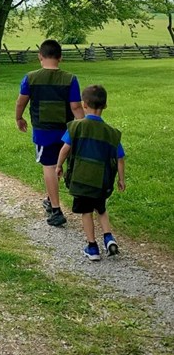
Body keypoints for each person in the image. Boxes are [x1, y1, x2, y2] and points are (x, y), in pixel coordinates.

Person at [15, 39, 84, 227]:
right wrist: (84, 127)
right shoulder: (70, 79)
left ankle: (55, 209)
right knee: (59, 164)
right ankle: (50, 197)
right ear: (60, 58)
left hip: (43, 131)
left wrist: (19, 118)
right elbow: (76, 106)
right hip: (66, 131)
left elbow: (21, 101)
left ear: (40, 56)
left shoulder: (30, 78)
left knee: (49, 166)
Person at [56, 84, 126, 261]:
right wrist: (121, 179)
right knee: (101, 209)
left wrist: (58, 166)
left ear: (84, 104)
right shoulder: (111, 133)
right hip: (102, 181)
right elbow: (120, 158)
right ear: (105, 106)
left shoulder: (76, 127)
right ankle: (108, 237)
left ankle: (92, 247)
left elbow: (65, 149)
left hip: (81, 180)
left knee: (86, 212)